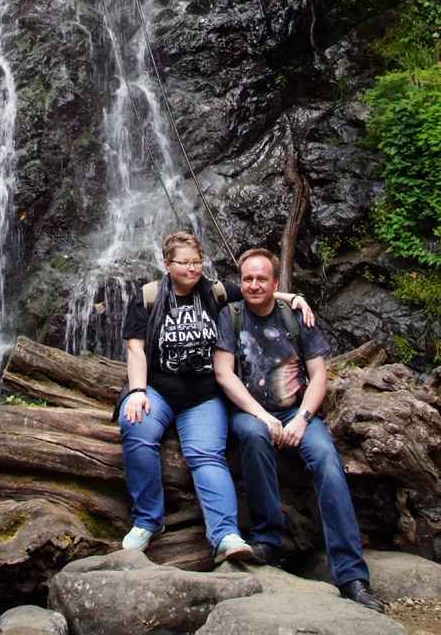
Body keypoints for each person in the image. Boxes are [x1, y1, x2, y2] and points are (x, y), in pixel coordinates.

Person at [118, 230, 314, 562]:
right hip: (159, 389)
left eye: (197, 262)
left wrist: (294, 298)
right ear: (167, 264)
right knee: (136, 427)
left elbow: (259, 293)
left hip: (205, 396)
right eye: (184, 263)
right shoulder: (148, 297)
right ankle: (148, 520)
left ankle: (226, 535)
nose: (192, 269)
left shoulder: (216, 291)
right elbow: (136, 350)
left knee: (207, 454)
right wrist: (137, 391)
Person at [214, 247, 384, 613]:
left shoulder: (294, 317)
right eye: (247, 279)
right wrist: (263, 415)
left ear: (276, 283)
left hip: (298, 411)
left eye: (262, 279)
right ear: (239, 281)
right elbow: (224, 373)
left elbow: (319, 374)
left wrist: (303, 418)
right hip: (252, 413)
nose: (254, 285)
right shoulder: (231, 315)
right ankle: (268, 540)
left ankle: (352, 575)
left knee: (326, 458)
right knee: (254, 436)